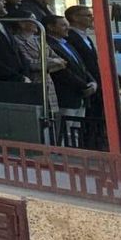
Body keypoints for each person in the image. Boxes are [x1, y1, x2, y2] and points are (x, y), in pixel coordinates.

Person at [46, 14, 96, 145]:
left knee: (75, 129)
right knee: (64, 131)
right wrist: (84, 86)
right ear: (51, 27)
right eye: (63, 25)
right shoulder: (49, 45)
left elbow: (81, 66)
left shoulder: (67, 44)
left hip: (80, 95)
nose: (67, 28)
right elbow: (62, 72)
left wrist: (92, 82)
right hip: (66, 95)